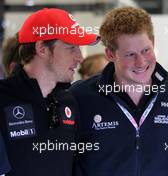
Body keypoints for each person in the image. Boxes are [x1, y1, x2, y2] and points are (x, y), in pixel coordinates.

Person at [70, 6, 168, 176]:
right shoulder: (81, 96)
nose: (141, 62)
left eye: (146, 50)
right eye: (130, 54)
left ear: (153, 42)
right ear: (110, 54)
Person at [0, 8, 99, 176]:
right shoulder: (4, 98)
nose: (79, 57)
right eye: (71, 47)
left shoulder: (68, 102)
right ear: (42, 48)